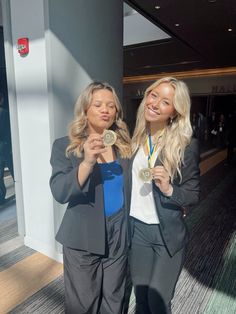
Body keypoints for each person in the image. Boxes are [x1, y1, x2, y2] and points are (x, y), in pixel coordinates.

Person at [49, 82, 131, 314]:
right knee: (83, 305)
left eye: (111, 105)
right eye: (98, 104)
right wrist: (86, 162)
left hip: (119, 232)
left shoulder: (123, 146)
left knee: (114, 299)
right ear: (85, 109)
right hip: (83, 236)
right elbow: (59, 191)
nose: (105, 110)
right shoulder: (65, 146)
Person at [128, 77, 200, 314]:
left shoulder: (185, 145)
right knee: (141, 299)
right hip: (137, 230)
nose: (155, 103)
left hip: (166, 234)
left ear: (174, 112)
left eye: (165, 101)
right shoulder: (135, 138)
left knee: (158, 301)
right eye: (153, 95)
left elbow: (192, 194)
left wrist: (169, 189)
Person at [0, 93, 14, 204]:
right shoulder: (4, 113)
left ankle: (1, 198)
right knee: (14, 171)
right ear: (2, 99)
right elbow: (9, 131)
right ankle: (21, 190)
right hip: (7, 147)